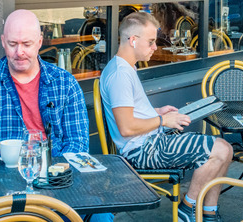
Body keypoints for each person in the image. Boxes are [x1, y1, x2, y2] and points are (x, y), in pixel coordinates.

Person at [99, 12, 232, 222]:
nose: (155, 47)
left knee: (225, 149)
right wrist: (163, 121)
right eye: (151, 42)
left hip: (150, 142)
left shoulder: (124, 68)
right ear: (133, 40)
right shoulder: (120, 75)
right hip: (143, 150)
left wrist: (157, 112)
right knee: (221, 150)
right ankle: (188, 208)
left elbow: (130, 113)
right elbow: (126, 127)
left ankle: (208, 214)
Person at [0, 9, 89, 163]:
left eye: (26, 44)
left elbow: (78, 143)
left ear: (39, 42)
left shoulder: (65, 83)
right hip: (2, 171)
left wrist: (56, 170)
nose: (19, 52)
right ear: (3, 42)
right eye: (12, 44)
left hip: (54, 170)